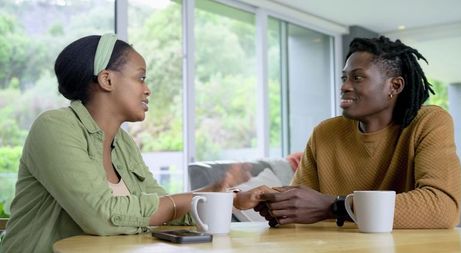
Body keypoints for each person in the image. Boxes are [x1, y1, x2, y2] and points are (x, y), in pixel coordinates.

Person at [0, 34, 266, 253]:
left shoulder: (123, 143)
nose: (147, 89)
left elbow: (162, 208)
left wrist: (223, 196)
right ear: (107, 79)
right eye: (140, 77)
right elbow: (102, 216)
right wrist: (189, 199)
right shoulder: (54, 127)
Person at [255, 36, 461, 229]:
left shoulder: (429, 122)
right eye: (344, 77)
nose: (344, 86)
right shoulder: (325, 133)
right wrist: (273, 204)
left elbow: (442, 206)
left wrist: (336, 206)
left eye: (357, 78)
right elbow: (299, 209)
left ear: (395, 86)